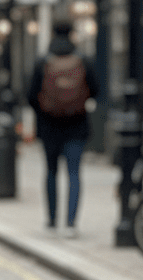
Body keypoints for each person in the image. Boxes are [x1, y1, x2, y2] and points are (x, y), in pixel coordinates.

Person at [27, 20, 98, 237]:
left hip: (49, 126)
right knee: (74, 173)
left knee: (50, 172)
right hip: (76, 125)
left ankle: (51, 221)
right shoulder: (83, 60)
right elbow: (95, 90)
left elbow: (30, 95)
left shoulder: (43, 61)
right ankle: (71, 223)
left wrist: (45, 111)